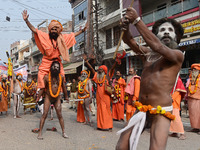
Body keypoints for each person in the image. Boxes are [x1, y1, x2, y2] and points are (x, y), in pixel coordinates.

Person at [116, 7, 184, 150]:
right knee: (121, 146)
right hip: (141, 108)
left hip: (162, 110)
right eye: (162, 30)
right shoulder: (148, 54)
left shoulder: (177, 55)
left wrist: (137, 20)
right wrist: (125, 27)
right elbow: (129, 41)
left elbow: (157, 46)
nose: (166, 32)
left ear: (177, 37)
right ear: (156, 35)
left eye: (170, 30)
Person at [22, 10, 86, 96]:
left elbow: (72, 35)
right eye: (52, 29)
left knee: (62, 76)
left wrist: (82, 31)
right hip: (46, 61)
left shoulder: (62, 38)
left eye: (56, 29)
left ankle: (63, 95)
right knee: (41, 76)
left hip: (57, 62)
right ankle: (39, 96)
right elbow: (34, 30)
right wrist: (26, 21)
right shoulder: (45, 36)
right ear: (50, 30)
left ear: (58, 31)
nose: (54, 30)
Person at [36, 61, 69, 140]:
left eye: (57, 67)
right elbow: (42, 88)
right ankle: (40, 132)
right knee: (45, 114)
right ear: (51, 67)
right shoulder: (47, 77)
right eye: (54, 67)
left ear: (59, 69)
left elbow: (64, 87)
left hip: (57, 98)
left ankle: (64, 132)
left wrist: (66, 97)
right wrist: (38, 98)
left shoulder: (61, 77)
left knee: (60, 115)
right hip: (48, 97)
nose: (56, 68)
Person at [83, 56, 113, 131]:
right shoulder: (97, 77)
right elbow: (92, 69)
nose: (99, 70)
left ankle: (108, 126)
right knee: (99, 110)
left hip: (105, 97)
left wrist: (116, 62)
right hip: (98, 97)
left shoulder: (107, 77)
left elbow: (112, 69)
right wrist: (86, 62)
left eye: (101, 69)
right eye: (99, 69)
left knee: (106, 111)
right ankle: (100, 126)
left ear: (104, 71)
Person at [186, 64, 200, 135]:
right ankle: (195, 127)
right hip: (191, 98)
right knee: (193, 115)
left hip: (198, 99)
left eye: (195, 70)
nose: (193, 71)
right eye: (192, 70)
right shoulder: (190, 79)